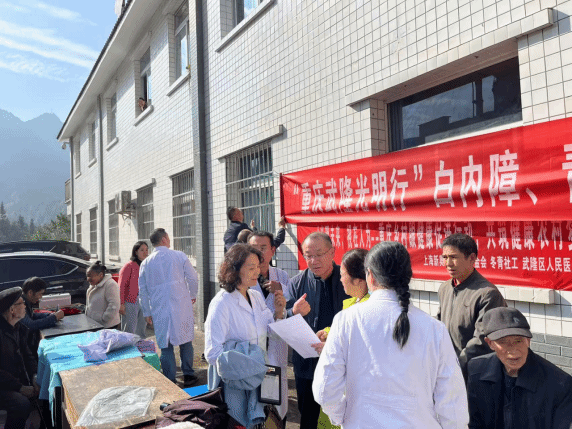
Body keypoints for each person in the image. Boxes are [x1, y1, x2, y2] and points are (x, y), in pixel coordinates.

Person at [313, 242, 469, 428]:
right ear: (407, 276)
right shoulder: (434, 328)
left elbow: (325, 389)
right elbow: (453, 402)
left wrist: (344, 416)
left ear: (370, 276)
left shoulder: (347, 320)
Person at [204, 244, 286, 423]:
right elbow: (212, 353)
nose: (257, 271)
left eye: (258, 266)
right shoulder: (221, 303)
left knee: (259, 421)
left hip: (258, 375)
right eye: (251, 267)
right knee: (237, 423)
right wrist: (246, 364)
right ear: (234, 270)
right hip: (234, 383)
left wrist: (279, 313)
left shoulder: (255, 296)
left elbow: (269, 333)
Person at [467, 307, 572, 428]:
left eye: (518, 341)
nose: (513, 349)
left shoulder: (560, 384)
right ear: (490, 343)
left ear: (528, 341)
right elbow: (475, 422)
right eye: (503, 341)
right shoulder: (477, 370)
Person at [286, 232, 349, 429]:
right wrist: (293, 312)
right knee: (309, 419)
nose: (314, 261)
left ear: (332, 252)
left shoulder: (347, 280)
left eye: (319, 254)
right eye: (308, 255)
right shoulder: (297, 282)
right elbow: (282, 320)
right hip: (307, 366)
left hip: (341, 364)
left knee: (342, 419)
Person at [313, 248, 369, 429]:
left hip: (352, 397)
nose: (340, 279)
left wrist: (330, 348)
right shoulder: (354, 303)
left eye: (343, 275)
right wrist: (328, 332)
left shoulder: (367, 311)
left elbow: (360, 349)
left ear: (359, 280)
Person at [437, 233, 506, 378]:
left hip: (476, 374)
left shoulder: (487, 294)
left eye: (454, 257)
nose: (448, 263)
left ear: (472, 258)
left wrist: (455, 366)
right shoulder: (445, 288)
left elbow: (482, 341)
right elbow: (438, 324)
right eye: (445, 257)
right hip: (448, 370)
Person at [139, 228, 199, 386]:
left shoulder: (146, 263)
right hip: (181, 305)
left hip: (159, 308)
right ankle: (188, 375)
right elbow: (193, 277)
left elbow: (142, 291)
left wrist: (147, 311)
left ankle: (170, 380)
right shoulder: (179, 256)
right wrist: (192, 294)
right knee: (186, 341)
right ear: (164, 239)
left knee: (165, 346)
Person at [248, 231, 291, 421]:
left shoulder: (282, 276)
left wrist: (280, 289)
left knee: (277, 403)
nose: (259, 253)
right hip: (253, 349)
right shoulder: (244, 279)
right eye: (253, 248)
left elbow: (294, 304)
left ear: (273, 250)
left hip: (276, 345)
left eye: (263, 248)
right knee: (256, 403)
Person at [0, 287, 40, 429]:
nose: (25, 306)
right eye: (22, 303)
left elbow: (28, 355)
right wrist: (19, 387)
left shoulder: (18, 327)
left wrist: (35, 375)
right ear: (12, 310)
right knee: (21, 403)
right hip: (4, 385)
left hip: (12, 381)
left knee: (41, 390)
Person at [20, 277, 65, 358]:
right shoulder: (20, 304)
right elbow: (30, 325)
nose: (40, 297)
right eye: (40, 294)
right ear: (30, 293)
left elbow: (32, 315)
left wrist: (49, 315)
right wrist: (54, 318)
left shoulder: (26, 300)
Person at [118, 241, 149, 339]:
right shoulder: (129, 266)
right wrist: (121, 303)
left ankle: (140, 346)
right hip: (131, 302)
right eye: (142, 250)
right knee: (129, 330)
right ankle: (127, 347)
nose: (145, 252)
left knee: (141, 329)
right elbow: (121, 286)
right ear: (136, 252)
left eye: (147, 250)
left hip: (144, 301)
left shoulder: (147, 265)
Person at [85, 261, 121, 329]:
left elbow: (114, 305)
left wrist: (104, 319)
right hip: (95, 324)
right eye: (87, 276)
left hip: (108, 326)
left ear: (101, 275)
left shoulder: (110, 285)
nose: (88, 279)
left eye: (90, 276)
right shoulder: (94, 284)